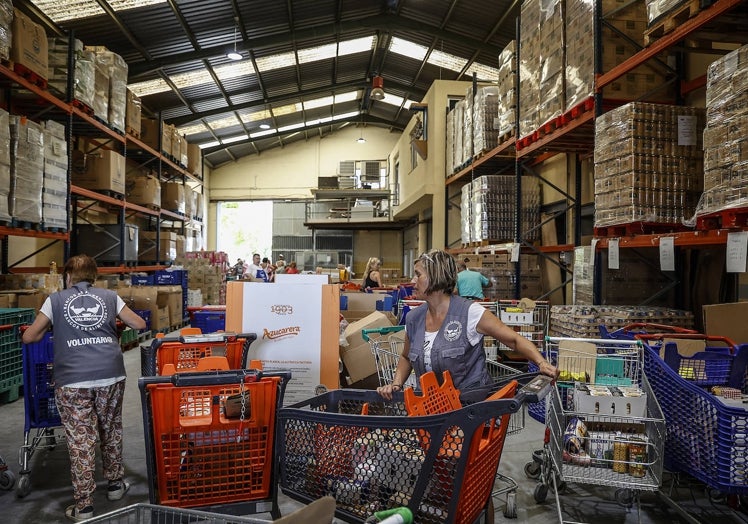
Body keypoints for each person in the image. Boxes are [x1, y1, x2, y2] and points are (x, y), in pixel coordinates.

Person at [21, 255, 146, 522]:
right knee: (110, 429)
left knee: (81, 441)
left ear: (68, 276)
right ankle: (114, 486)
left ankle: (84, 506)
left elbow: (29, 336)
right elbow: (139, 324)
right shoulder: (110, 297)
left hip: (73, 381)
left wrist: (47, 330)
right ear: (94, 276)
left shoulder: (55, 300)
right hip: (110, 375)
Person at [377, 249, 557, 401]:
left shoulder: (470, 313)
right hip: (429, 407)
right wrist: (396, 384)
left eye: (418, 275)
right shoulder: (414, 318)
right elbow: (407, 357)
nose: (413, 282)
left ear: (436, 276)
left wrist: (541, 362)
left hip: (468, 409)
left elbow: (514, 340)